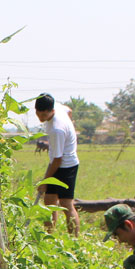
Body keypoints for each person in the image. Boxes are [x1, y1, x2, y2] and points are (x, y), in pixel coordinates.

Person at [34, 93, 80, 235]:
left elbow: (58, 160)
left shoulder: (57, 130)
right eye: (38, 114)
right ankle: (49, 236)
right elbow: (69, 110)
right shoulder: (59, 108)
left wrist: (45, 181)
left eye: (44, 115)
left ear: (51, 111)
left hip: (66, 165)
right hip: (57, 162)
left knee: (66, 204)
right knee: (49, 202)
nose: (41, 118)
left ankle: (74, 239)